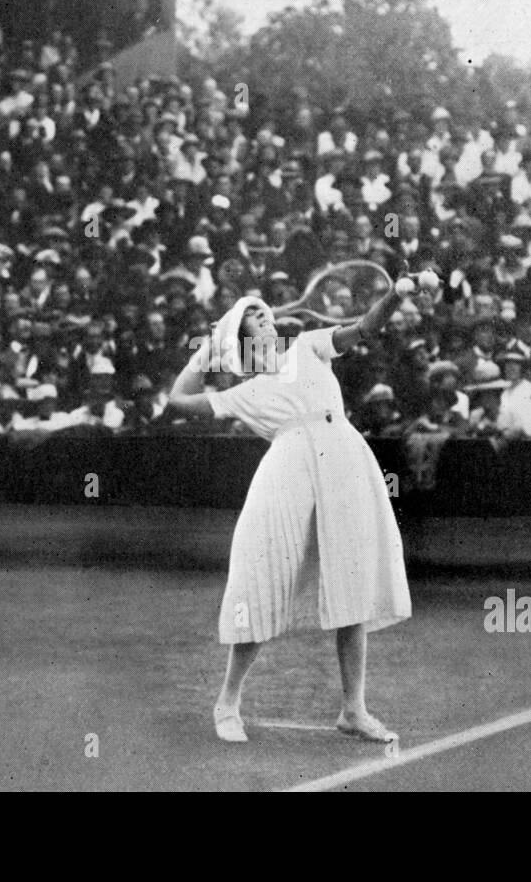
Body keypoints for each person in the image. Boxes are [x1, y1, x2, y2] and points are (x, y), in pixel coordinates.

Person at [166, 283, 417, 744]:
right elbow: (178, 401)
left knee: (352, 583)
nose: (268, 320)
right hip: (287, 467)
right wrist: (203, 356)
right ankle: (227, 702)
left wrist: (395, 296)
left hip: (344, 457)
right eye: (255, 319)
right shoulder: (246, 391)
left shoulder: (308, 345)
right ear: (240, 341)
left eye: (267, 315)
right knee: (261, 579)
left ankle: (353, 710)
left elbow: (365, 327)